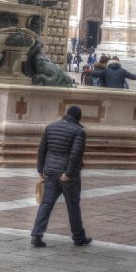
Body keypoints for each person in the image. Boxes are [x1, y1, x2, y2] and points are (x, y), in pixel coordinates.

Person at [30, 105, 90, 248]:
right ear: (78, 118)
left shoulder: (51, 127)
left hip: (50, 172)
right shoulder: (79, 131)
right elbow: (75, 155)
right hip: (68, 176)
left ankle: (36, 234)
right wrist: (68, 174)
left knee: (46, 203)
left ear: (66, 114)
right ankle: (78, 237)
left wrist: (40, 170)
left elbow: (41, 150)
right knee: (73, 206)